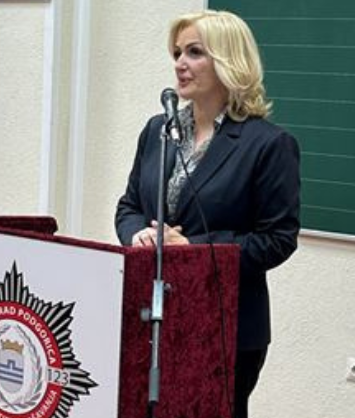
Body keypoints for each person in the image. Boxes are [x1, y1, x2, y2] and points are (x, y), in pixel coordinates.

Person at [114, 10, 300, 418]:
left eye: (194, 52)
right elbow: (129, 206)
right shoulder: (158, 131)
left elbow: (278, 240)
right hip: (152, 317)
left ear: (228, 60)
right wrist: (137, 235)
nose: (180, 63)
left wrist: (193, 249)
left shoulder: (268, 145)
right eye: (177, 53)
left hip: (225, 324)